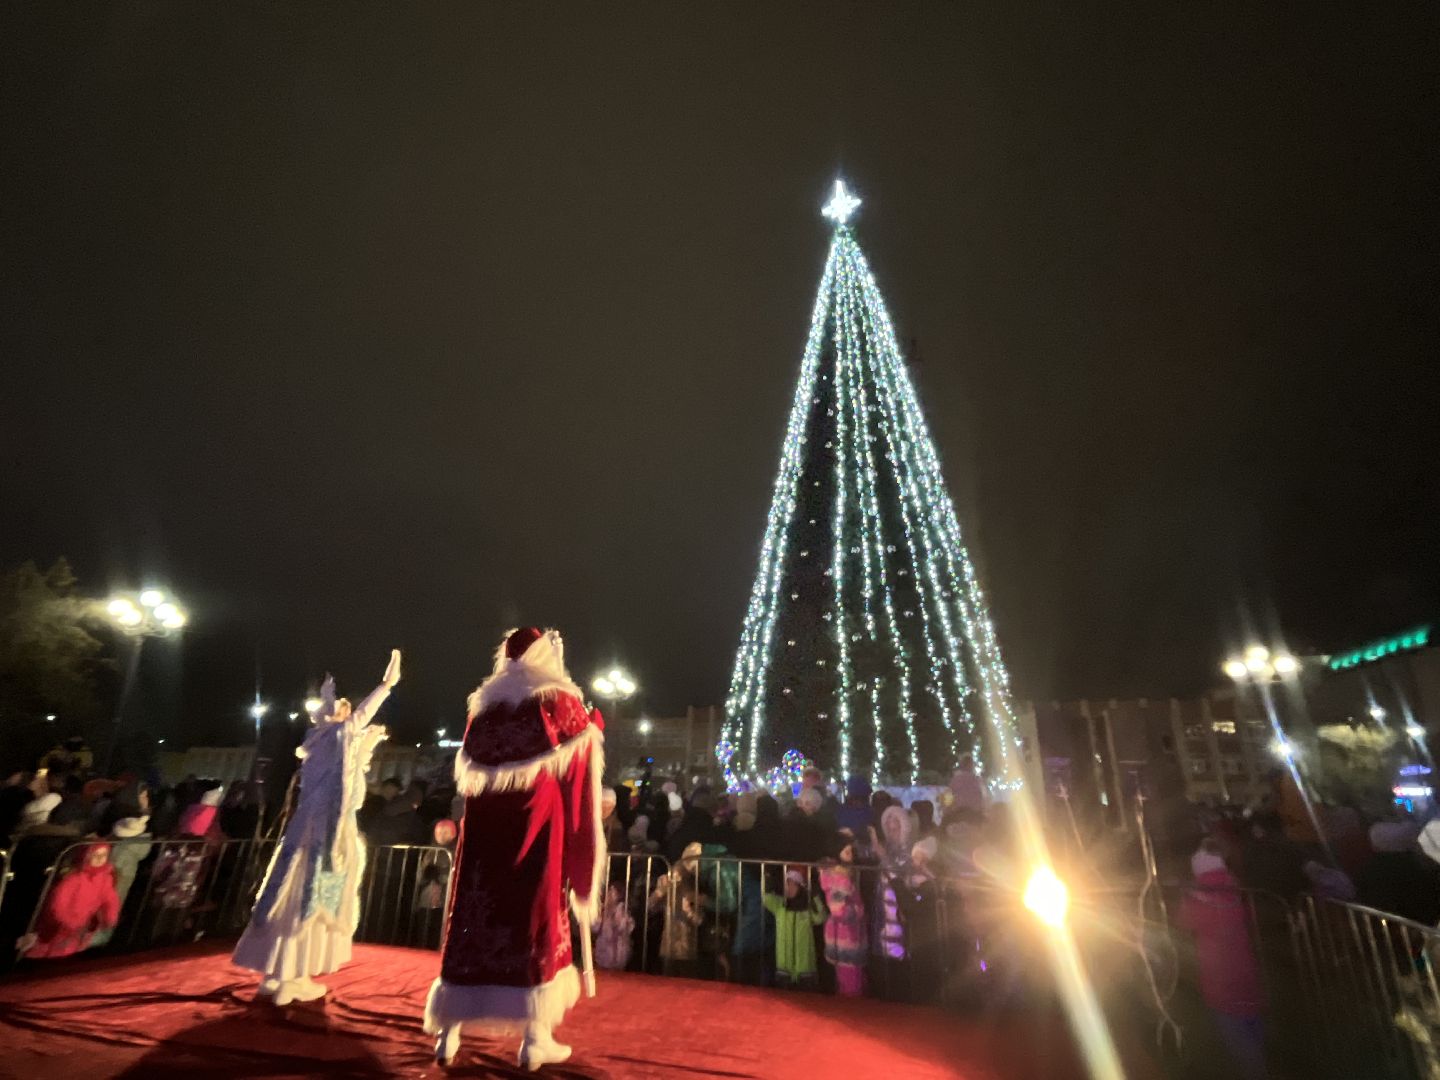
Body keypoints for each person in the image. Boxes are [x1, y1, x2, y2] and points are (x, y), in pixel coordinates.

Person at [424, 628, 604, 1071]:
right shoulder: (556, 702)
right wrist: (583, 873)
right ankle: (534, 1039)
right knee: (533, 928)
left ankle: (448, 1034)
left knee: (475, 924)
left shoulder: (483, 711)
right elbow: (580, 790)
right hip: (537, 839)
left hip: (484, 847)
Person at [231, 650, 400, 1006]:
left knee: (288, 895)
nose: (348, 712)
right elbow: (360, 720)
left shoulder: (318, 743)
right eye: (341, 707)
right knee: (308, 898)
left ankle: (277, 975)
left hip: (305, 828)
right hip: (327, 831)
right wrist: (385, 686)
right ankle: (292, 977)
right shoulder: (338, 738)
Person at [1180, 843, 1266, 1080]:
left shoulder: (1197, 901)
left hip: (1219, 978)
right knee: (1251, 1021)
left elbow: (1184, 923)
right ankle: (1260, 1062)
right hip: (1245, 968)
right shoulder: (1235, 890)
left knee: (1236, 1036)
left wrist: (1186, 896)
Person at [20, 842, 120, 959]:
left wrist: (110, 916)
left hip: (84, 926)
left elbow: (110, 899)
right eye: (95, 855)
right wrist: (68, 922)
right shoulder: (73, 878)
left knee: (74, 949)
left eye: (104, 855)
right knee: (50, 949)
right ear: (86, 857)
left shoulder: (105, 877)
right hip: (62, 926)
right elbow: (58, 904)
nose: (100, 858)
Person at [90, 815, 153, 948]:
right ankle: (102, 938)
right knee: (114, 906)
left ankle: (96, 940)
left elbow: (113, 867)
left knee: (104, 907)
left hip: (114, 878)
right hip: (123, 877)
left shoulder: (122, 849)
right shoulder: (137, 846)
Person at [819, 830, 868, 996]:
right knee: (850, 982)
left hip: (846, 935)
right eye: (847, 851)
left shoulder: (842, 874)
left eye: (851, 851)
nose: (851, 854)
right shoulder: (839, 878)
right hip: (846, 935)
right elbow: (838, 909)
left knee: (850, 979)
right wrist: (858, 911)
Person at [763, 868, 827, 988]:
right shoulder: (780, 906)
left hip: (805, 968)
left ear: (799, 886)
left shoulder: (807, 908)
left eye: (792, 884)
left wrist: (816, 896)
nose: (788, 887)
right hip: (784, 967)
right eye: (786, 883)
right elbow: (766, 899)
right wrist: (769, 883)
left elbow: (821, 917)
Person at [594, 881, 634, 971]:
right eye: (609, 892)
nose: (610, 895)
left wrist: (613, 915)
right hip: (603, 952)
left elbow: (623, 927)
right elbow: (595, 927)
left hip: (618, 952)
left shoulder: (622, 909)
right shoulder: (602, 910)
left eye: (613, 892)